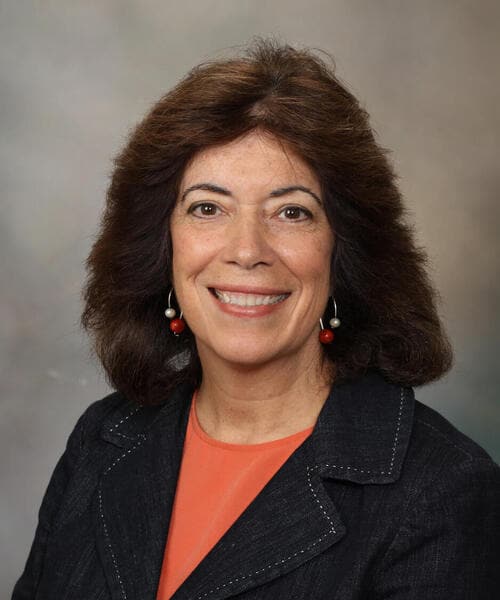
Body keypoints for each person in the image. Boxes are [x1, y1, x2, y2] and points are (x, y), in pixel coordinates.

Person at [12, 38, 500, 600]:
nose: (247, 251)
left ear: (344, 251)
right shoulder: (104, 439)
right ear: (161, 244)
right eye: (207, 208)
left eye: (291, 212)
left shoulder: (442, 490)